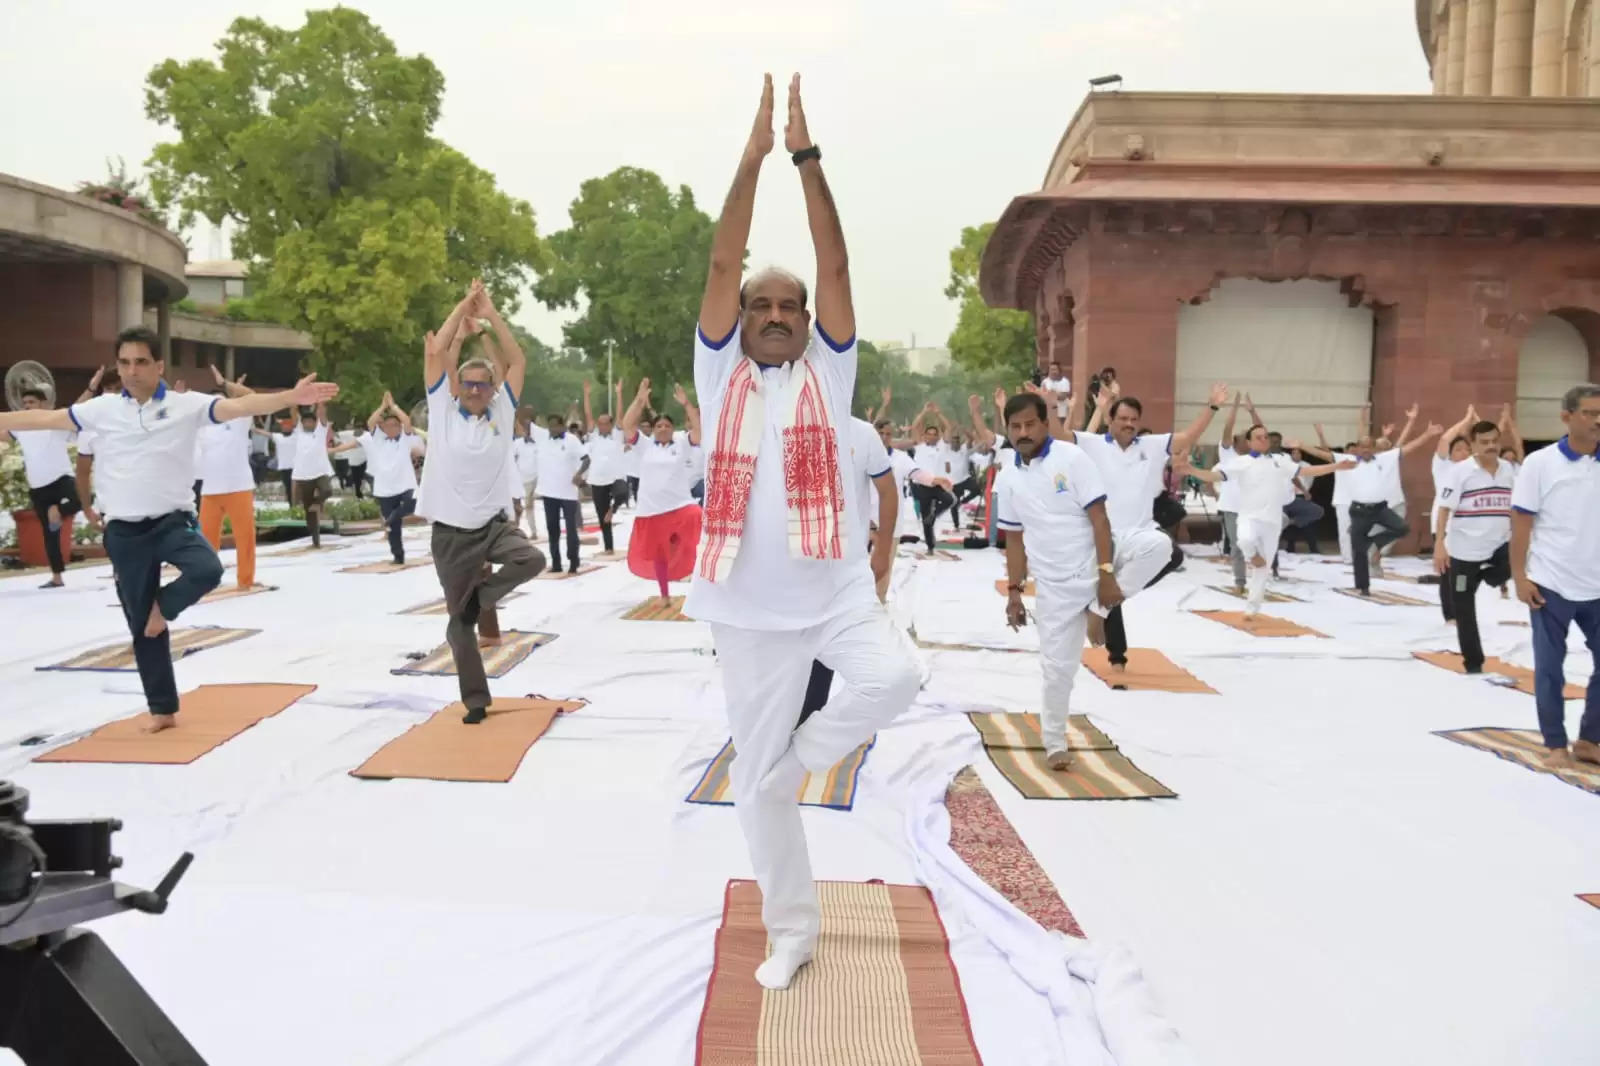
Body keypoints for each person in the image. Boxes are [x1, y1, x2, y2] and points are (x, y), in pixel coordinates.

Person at [687, 74, 919, 991]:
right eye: (761, 305)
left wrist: (805, 160)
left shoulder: (834, 377)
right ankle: (792, 933)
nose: (779, 313)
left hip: (835, 597)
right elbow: (718, 265)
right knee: (753, 785)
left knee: (896, 678)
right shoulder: (717, 384)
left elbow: (838, 268)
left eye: (791, 306)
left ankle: (794, 765)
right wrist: (749, 161)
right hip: (745, 613)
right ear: (740, 323)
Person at [0, 326, 337, 731]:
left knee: (207, 569)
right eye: (124, 363)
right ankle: (162, 709)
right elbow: (44, 416)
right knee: (143, 626)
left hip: (172, 521)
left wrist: (289, 397)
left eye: (141, 362)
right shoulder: (101, 409)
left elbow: (235, 409)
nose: (131, 370)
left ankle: (165, 606)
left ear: (158, 365)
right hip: (124, 529)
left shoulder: (185, 405)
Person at [416, 281, 546, 724]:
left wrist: (490, 316)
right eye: (468, 384)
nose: (474, 390)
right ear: (459, 386)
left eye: (482, 384)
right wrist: (460, 312)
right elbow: (437, 356)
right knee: (459, 629)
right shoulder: (443, 410)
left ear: (492, 388)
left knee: (531, 560)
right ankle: (476, 700)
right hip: (451, 535)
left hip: (492, 526)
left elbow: (517, 360)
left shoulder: (502, 412)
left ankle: (481, 601)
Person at [1056, 377, 1229, 655]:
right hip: (1101, 537)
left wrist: (1212, 406)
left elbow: (1187, 438)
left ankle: (1101, 610)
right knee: (1099, 588)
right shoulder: (1094, 443)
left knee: (1166, 552)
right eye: (1123, 418)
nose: (1128, 423)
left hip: (1139, 534)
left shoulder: (1150, 445)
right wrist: (1048, 405)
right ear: (1110, 420)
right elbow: (1061, 437)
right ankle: (1109, 649)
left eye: (1133, 419)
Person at [994, 393, 1119, 769]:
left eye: (1030, 424)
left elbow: (1100, 519)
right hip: (1053, 585)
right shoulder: (1008, 477)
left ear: (1045, 423)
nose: (1023, 432)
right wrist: (1015, 594)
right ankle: (1054, 744)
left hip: (1094, 568)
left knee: (1158, 547)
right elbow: (1014, 540)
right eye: (1015, 427)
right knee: (1056, 668)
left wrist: (1105, 575)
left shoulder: (1073, 458)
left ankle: (1100, 608)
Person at [1509, 383, 1600, 770]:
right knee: (1550, 667)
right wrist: (1520, 575)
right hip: (1551, 582)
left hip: (1597, 584)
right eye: (1590, 413)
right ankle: (1555, 744)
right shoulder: (1540, 464)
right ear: (1567, 417)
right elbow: (1521, 521)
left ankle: (1590, 739)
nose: (1598, 421)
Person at [798, 415, 902, 728]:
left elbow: (887, 491)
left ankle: (810, 720)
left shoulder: (861, 433)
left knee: (827, 645)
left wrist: (882, 548)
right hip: (794, 561)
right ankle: (781, 723)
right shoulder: (789, 422)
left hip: (843, 567)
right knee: (788, 647)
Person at [1188, 426, 1350, 616]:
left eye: (1265, 437)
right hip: (1249, 517)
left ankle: (1252, 608)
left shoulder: (1281, 461)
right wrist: (1190, 470)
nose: (1264, 440)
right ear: (1249, 442)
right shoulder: (1241, 462)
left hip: (1272, 522)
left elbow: (1307, 472)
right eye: (1258, 437)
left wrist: (1336, 467)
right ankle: (1251, 556)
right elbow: (1214, 476)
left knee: (1263, 569)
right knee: (1245, 541)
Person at [1314, 419, 1440, 595]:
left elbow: (1408, 448)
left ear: (1374, 448)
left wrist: (1427, 435)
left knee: (1402, 528)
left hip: (1380, 509)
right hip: (1358, 511)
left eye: (1369, 446)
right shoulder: (1348, 459)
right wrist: (1302, 445)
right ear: (1358, 447)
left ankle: (1375, 542)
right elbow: (1324, 455)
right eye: (1362, 446)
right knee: (1358, 550)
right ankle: (1363, 587)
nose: (1366, 449)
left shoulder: (1385, 458)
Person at [1433, 419, 1515, 672]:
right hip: (1464, 550)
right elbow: (1444, 508)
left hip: (1500, 544)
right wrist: (1439, 544)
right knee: (1464, 607)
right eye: (1484, 442)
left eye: (1494, 441)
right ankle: (1474, 662)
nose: (1491, 446)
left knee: (1521, 560)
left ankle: (1487, 576)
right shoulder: (1459, 472)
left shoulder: (1509, 470)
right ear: (1474, 444)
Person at [620, 379, 703, 600]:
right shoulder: (644, 445)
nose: (663, 428)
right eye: (659, 426)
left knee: (697, 519)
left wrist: (687, 405)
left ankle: (701, 581)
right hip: (652, 510)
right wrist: (639, 400)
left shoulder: (681, 443)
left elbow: (698, 430)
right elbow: (627, 425)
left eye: (667, 425)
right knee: (659, 556)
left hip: (679, 506)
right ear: (654, 430)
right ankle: (664, 594)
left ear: (672, 428)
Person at [0, 387, 83, 587]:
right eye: (25, 403)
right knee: (49, 532)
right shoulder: (20, 428)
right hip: (37, 486)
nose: (28, 406)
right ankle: (57, 577)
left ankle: (58, 510)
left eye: (32, 403)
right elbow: (3, 434)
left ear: (43, 405)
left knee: (81, 500)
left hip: (61, 478)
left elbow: (77, 409)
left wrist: (89, 388)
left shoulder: (54, 423)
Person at [334, 392, 425, 566]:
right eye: (388, 425)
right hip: (385, 488)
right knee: (393, 528)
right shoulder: (377, 438)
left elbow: (406, 421)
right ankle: (398, 556)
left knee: (412, 504)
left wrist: (394, 407)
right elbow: (371, 422)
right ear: (383, 428)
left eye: (395, 425)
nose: (392, 428)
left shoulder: (406, 439)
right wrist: (383, 407)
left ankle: (394, 517)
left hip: (405, 485)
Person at [195, 366, 261, 590]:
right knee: (206, 542)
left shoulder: (240, 420)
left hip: (239, 486)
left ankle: (245, 580)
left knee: (245, 538)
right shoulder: (202, 426)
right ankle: (206, 581)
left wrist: (226, 385)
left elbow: (252, 397)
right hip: (210, 490)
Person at [1431, 406, 1478, 620]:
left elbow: (1486, 443)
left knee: (1462, 574)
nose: (1464, 453)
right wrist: (1465, 419)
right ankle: (1450, 614)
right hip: (1443, 527)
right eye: (1458, 449)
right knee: (1446, 573)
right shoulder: (1443, 467)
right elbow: (1443, 440)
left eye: (1466, 449)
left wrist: (1477, 424)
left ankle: (1462, 611)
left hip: (1467, 528)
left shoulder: (1474, 468)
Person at [536, 412, 590, 573]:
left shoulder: (572, 440)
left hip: (568, 492)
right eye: (550, 426)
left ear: (562, 426)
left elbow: (586, 459)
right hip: (549, 491)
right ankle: (556, 562)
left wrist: (579, 474)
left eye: (556, 426)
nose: (553, 429)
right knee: (552, 529)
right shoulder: (543, 439)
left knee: (571, 528)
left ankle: (574, 560)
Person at [580, 379, 627, 556]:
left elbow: (620, 414)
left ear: (611, 424)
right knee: (601, 515)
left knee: (622, 493)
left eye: (606, 422)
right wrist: (586, 395)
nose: (603, 425)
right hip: (597, 479)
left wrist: (619, 394)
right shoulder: (593, 436)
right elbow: (587, 415)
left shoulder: (617, 434)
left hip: (615, 477)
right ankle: (608, 547)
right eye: (600, 423)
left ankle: (613, 509)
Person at [289, 404, 336, 548]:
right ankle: (316, 541)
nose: (308, 423)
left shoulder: (320, 431)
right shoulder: (298, 432)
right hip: (304, 474)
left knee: (327, 490)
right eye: (306, 421)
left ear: (315, 423)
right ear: (302, 423)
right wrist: (296, 399)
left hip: (321, 471)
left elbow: (322, 413)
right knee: (308, 510)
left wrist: (320, 401)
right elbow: (293, 412)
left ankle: (318, 503)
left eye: (311, 421)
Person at [511, 412, 544, 536]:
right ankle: (517, 530)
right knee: (519, 507)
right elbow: (512, 459)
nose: (528, 431)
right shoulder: (517, 444)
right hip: (522, 479)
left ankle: (533, 531)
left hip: (536, 479)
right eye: (526, 428)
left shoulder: (539, 444)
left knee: (529, 506)